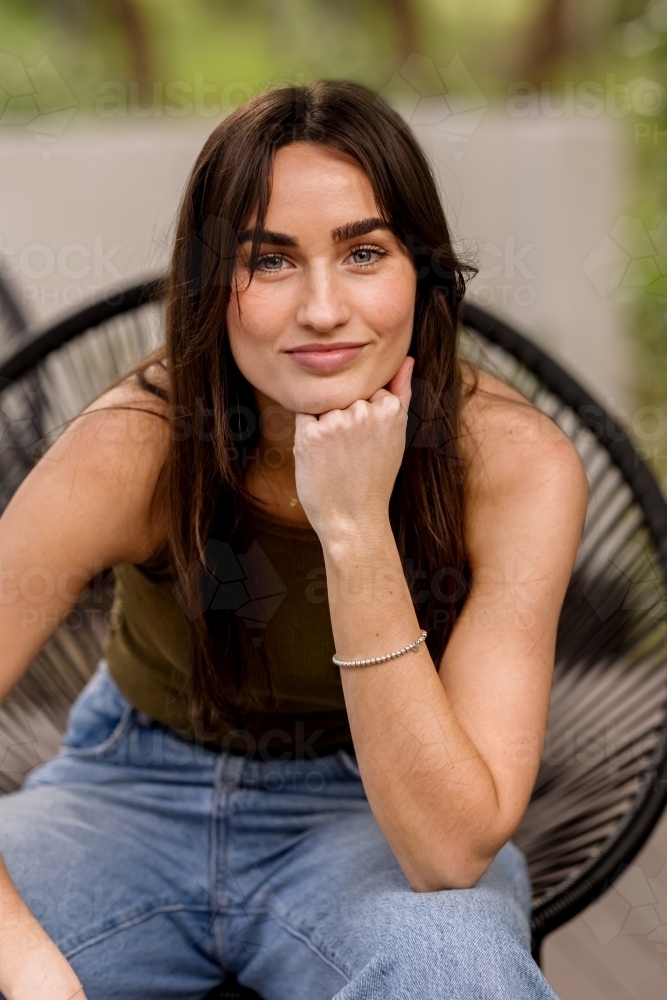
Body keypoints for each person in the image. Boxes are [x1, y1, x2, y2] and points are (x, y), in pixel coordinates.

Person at [0, 81, 587, 1000]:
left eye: (364, 252)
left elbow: (445, 851)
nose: (322, 309)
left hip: (371, 811)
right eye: (269, 260)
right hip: (126, 795)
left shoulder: (513, 467)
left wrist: (353, 528)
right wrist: (28, 967)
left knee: (455, 971)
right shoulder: (134, 445)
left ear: (422, 273)